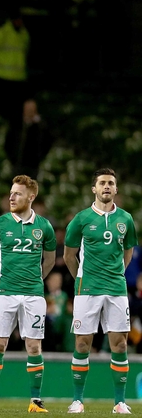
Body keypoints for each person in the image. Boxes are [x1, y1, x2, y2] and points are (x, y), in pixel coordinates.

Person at [64, 168, 138, 414]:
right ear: (94, 189)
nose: (106, 186)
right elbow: (68, 255)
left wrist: (116, 274)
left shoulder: (126, 219)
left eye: (111, 183)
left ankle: (119, 402)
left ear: (116, 189)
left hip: (116, 289)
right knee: (83, 343)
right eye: (102, 183)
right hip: (88, 289)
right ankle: (77, 400)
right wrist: (82, 279)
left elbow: (128, 253)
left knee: (120, 344)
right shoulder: (82, 218)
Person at [0, 175, 56, 412]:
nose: (11, 197)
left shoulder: (44, 226)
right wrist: (2, 278)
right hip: (5, 293)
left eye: (18, 193)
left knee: (34, 347)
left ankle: (35, 400)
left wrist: (34, 281)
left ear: (31, 197)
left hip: (34, 294)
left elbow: (50, 260)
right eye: (11, 193)